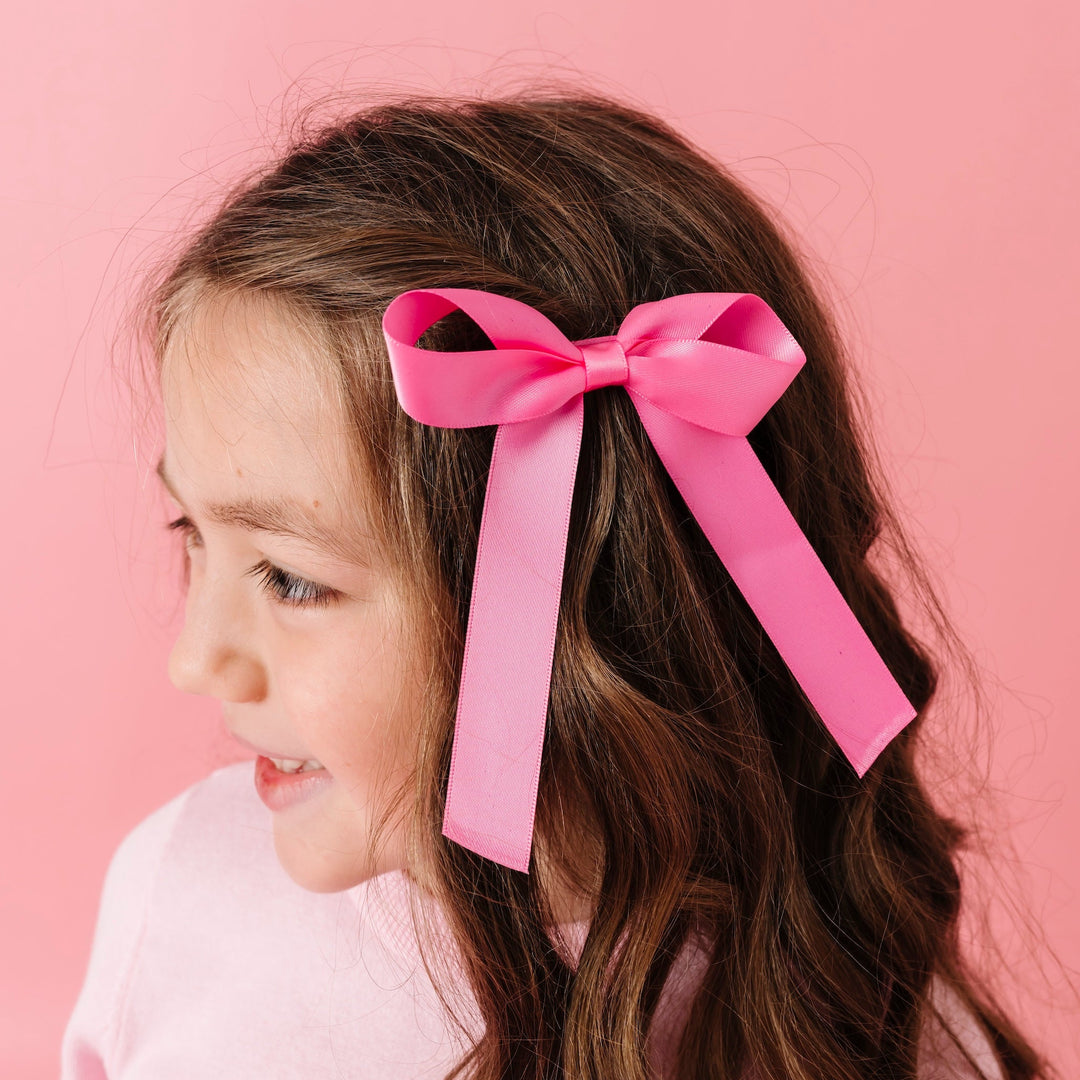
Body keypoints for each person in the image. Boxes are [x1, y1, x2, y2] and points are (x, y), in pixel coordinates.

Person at [59, 87, 1050, 1079]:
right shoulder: (181, 899)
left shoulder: (842, 1014)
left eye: (290, 579)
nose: (197, 660)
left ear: (601, 612)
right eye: (190, 530)